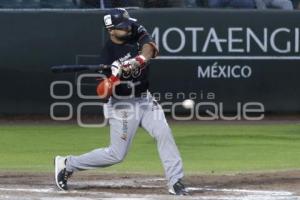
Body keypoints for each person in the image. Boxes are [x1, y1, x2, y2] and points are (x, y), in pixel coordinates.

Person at [54, 8, 188, 196]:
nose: (129, 28)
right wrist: (114, 77)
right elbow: (102, 93)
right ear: (111, 31)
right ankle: (67, 163)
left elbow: (150, 47)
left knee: (164, 133)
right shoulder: (107, 56)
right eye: (123, 27)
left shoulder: (135, 30)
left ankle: (175, 181)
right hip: (122, 105)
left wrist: (136, 61)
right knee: (116, 155)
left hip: (145, 99)